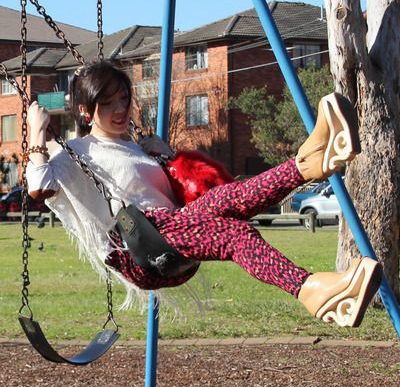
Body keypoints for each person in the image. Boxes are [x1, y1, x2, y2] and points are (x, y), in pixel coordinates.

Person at [26, 60, 382, 327]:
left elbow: (180, 191)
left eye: (123, 99)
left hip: (173, 229)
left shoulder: (137, 147)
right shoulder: (75, 153)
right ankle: (314, 291)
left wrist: (166, 155)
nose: (120, 109)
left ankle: (313, 161)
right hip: (139, 249)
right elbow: (39, 186)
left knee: (232, 197)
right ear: (87, 112)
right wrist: (36, 134)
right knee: (236, 234)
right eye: (108, 104)